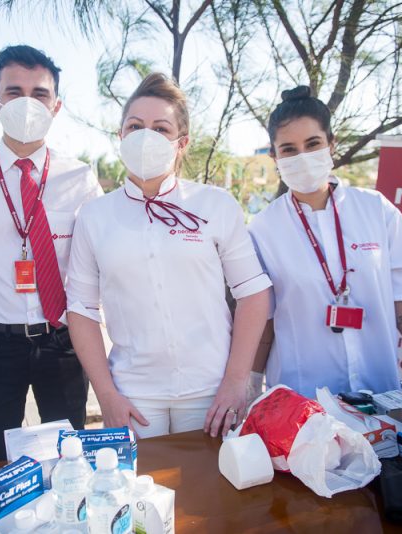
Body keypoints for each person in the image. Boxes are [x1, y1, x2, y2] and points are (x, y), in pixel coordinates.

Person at [66, 73, 272, 439]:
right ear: (121, 137)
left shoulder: (215, 204)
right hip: (133, 395)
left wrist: (236, 381)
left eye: (161, 128)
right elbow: (81, 310)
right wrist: (106, 394)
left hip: (211, 392)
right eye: (135, 126)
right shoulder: (93, 217)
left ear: (181, 143)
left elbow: (254, 293)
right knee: (144, 496)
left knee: (212, 496)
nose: (146, 137)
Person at [247, 86, 402, 405]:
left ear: (331, 144)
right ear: (274, 157)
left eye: (312, 144)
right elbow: (265, 321)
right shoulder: (263, 228)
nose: (302, 157)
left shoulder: (376, 209)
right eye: (289, 149)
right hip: (302, 398)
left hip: (379, 393)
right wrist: (250, 385)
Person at [0, 45, 103, 461]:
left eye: (40, 93)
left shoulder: (81, 178)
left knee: (70, 455)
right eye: (14, 92)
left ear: (57, 105)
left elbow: (104, 261)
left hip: (64, 340)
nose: (27, 103)